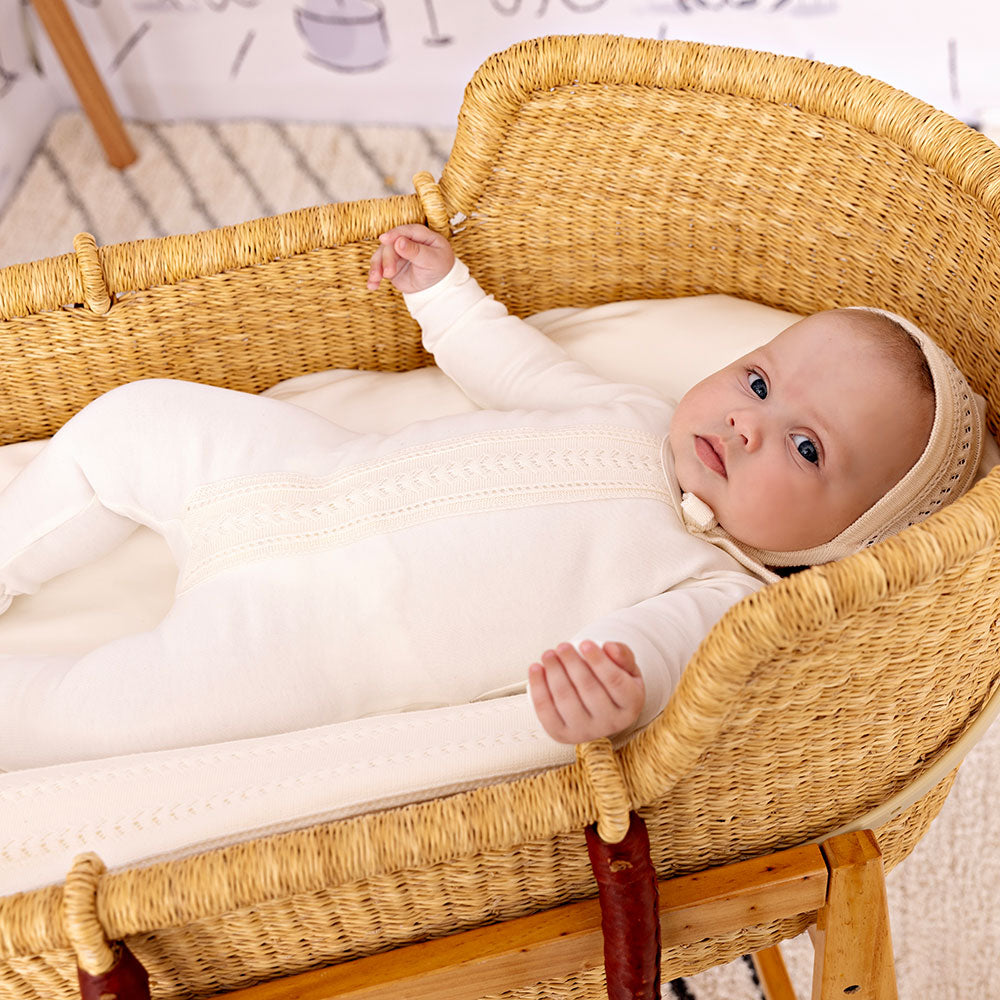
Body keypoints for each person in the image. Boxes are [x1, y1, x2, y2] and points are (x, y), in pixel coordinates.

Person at [0, 225, 982, 768]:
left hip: (297, 645)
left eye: (805, 448)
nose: (744, 424)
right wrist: (444, 294)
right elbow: (517, 370)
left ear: (846, 537)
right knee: (134, 420)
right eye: (756, 382)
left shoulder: (720, 593)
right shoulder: (633, 415)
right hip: (296, 474)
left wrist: (615, 698)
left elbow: (657, 662)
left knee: (93, 723)